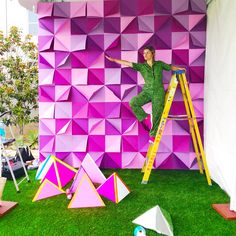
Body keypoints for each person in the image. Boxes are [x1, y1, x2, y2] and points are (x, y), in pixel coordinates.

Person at [106, 45, 185, 143]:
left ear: (153, 53)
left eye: (147, 52)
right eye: (144, 53)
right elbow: (128, 63)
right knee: (133, 102)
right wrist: (114, 60)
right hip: (146, 92)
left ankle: (152, 135)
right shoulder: (142, 66)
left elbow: (170, 67)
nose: (145, 55)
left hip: (158, 92)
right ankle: (146, 117)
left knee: (157, 113)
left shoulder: (159, 64)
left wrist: (179, 69)